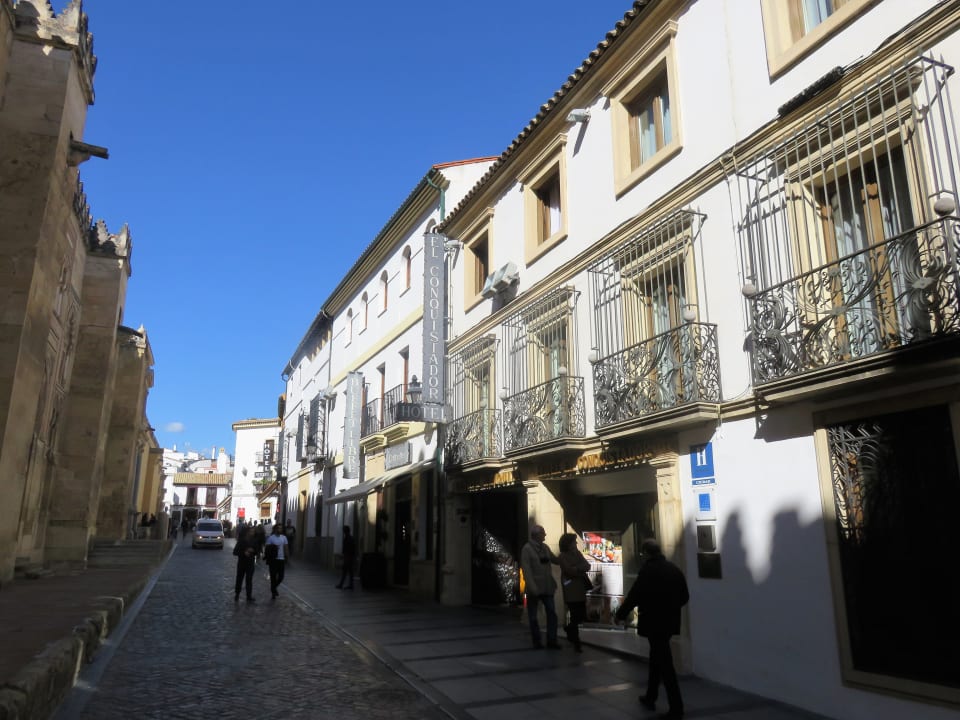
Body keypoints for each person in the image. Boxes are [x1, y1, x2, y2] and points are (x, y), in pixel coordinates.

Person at [615, 538, 689, 720]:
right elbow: (684, 596)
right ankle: (650, 696)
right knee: (656, 659)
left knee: (665, 665)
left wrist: (620, 615)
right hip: (669, 623)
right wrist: (670, 609)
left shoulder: (647, 571)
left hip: (654, 623)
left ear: (646, 553)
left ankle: (676, 708)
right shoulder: (673, 569)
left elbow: (634, 596)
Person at [519, 524, 560, 649]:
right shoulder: (527, 549)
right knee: (533, 616)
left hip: (547, 587)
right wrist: (533, 588)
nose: (545, 535)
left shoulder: (545, 547)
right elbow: (526, 570)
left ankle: (551, 640)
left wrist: (565, 554)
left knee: (552, 614)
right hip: (534, 589)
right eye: (543, 533)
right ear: (536, 535)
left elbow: (554, 559)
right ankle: (536, 641)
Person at [558, 532, 591, 653]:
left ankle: (569, 629)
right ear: (568, 543)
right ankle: (577, 642)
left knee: (580, 616)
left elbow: (587, 566)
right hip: (571, 589)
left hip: (580, 588)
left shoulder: (577, 553)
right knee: (575, 615)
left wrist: (576, 568)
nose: (576, 543)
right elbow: (568, 570)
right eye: (574, 542)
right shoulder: (562, 556)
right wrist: (579, 569)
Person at [233, 526, 258, 603]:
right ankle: (237, 594)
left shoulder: (254, 541)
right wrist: (244, 552)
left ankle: (249, 596)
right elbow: (235, 552)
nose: (252, 533)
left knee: (249, 580)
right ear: (247, 532)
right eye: (251, 531)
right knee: (239, 579)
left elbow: (257, 551)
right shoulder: (241, 541)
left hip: (250, 563)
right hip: (242, 563)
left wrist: (253, 551)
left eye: (253, 532)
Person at [264, 523, 289, 599]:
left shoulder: (284, 538)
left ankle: (273, 588)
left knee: (281, 577)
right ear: (275, 529)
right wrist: (273, 547)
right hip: (273, 560)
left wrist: (287, 557)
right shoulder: (271, 538)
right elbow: (267, 548)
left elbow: (286, 547)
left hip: (281, 559)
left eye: (281, 528)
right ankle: (273, 593)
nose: (279, 529)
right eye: (278, 528)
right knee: (273, 576)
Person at [335, 525, 356, 590]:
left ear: (346, 531)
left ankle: (342, 585)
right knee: (350, 572)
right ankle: (350, 585)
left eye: (344, 530)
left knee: (345, 571)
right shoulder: (351, 538)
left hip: (348, 557)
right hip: (350, 557)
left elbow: (346, 549)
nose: (343, 532)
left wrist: (344, 555)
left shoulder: (347, 538)